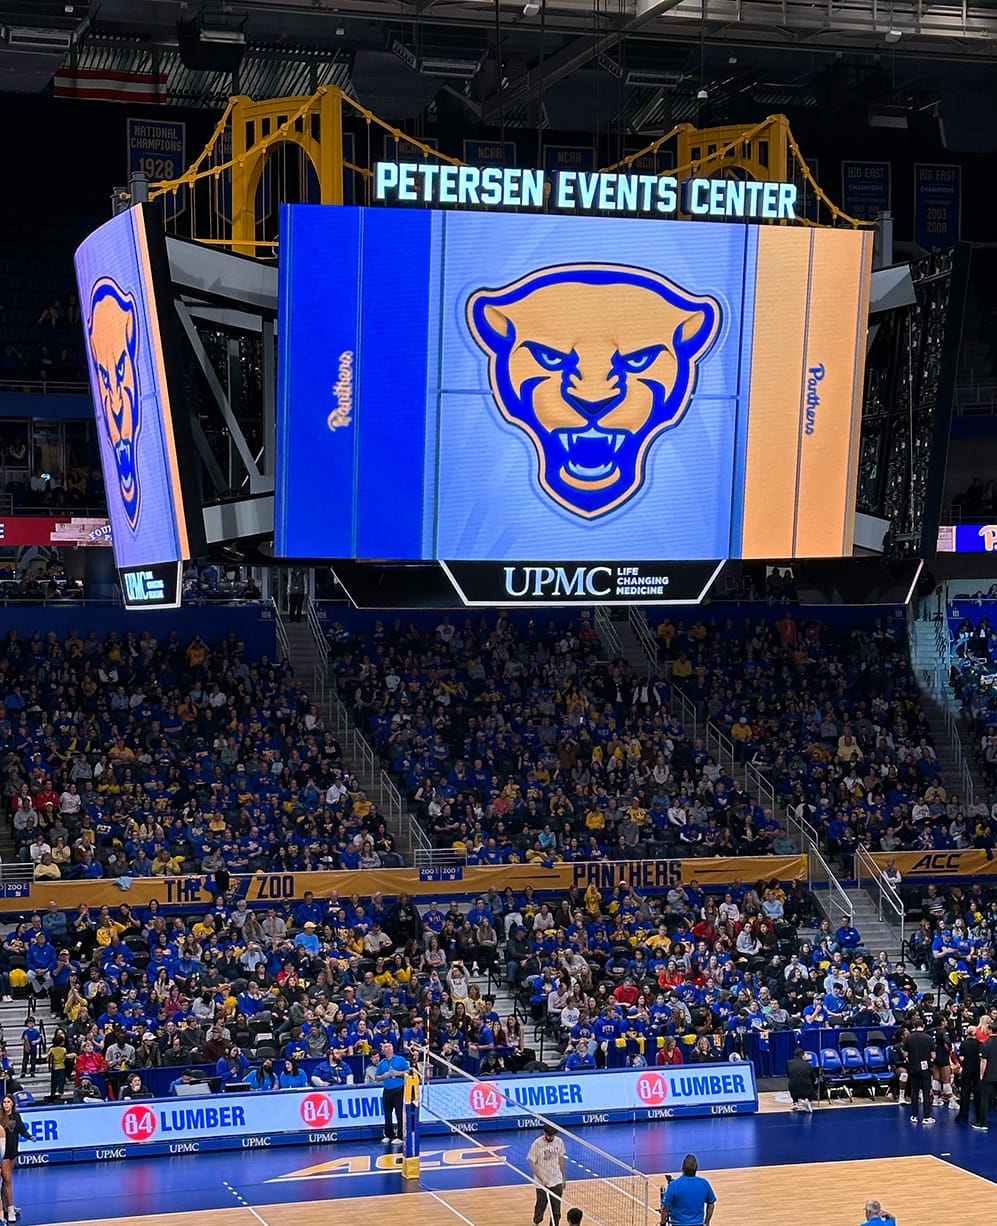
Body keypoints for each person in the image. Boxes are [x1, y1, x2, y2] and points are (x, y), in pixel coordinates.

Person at [659, 1154, 716, 1226]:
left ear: (682, 1168)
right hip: (698, 1224)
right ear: (696, 1168)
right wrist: (706, 1222)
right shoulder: (704, 1183)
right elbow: (711, 1204)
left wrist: (662, 1223)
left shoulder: (673, 1185)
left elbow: (665, 1209)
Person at [527, 1122, 566, 1226]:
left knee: (556, 1210)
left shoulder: (559, 1142)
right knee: (541, 1206)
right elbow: (532, 1162)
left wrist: (563, 1177)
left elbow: (561, 1159)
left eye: (553, 1135)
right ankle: (536, 1222)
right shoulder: (537, 1144)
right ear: (544, 1133)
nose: (551, 1137)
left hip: (556, 1179)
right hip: (542, 1182)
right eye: (549, 1135)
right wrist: (541, 1179)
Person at [0, 1093, 30, 1221]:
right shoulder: (0, 1117)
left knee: (7, 1181)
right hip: (4, 1154)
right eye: (4, 1102)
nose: (5, 1104)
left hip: (13, 1152)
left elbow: (22, 1129)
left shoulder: (16, 1116)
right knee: (7, 1181)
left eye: (8, 1102)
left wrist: (30, 1137)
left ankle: (6, 1206)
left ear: (12, 1103)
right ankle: (10, 1209)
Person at [373, 1040, 409, 1146]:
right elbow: (377, 1077)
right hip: (387, 1090)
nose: (388, 1048)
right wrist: (384, 1076)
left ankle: (401, 1136)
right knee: (387, 1114)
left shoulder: (400, 1059)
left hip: (399, 1089)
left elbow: (408, 1071)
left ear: (393, 1049)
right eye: (386, 1047)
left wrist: (398, 1073)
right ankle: (389, 1135)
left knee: (399, 1113)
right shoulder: (382, 1063)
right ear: (383, 1050)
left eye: (390, 1046)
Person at [902, 1018, 935, 1125]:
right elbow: (933, 1055)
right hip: (925, 1069)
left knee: (914, 1092)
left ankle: (914, 1115)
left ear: (914, 1027)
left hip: (913, 1067)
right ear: (923, 1026)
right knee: (926, 1092)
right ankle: (926, 1117)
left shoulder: (908, 1038)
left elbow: (905, 1054)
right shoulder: (929, 1038)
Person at [956, 1022, 985, 1129]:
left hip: (967, 1069)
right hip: (977, 1070)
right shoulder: (980, 1044)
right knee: (978, 1093)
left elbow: (961, 1058)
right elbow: (982, 1058)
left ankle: (963, 1116)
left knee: (965, 1092)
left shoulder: (964, 1044)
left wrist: (964, 1065)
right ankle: (978, 1116)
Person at [786, 1047, 816, 1112]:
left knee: (793, 1082)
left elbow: (789, 1075)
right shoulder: (808, 1064)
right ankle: (807, 1100)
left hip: (793, 1088)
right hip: (807, 1088)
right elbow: (813, 1078)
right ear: (803, 1055)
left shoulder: (788, 1063)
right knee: (810, 1086)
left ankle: (795, 1102)